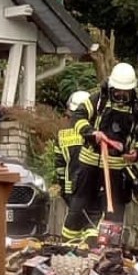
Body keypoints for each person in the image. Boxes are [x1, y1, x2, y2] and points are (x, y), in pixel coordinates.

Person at [66, 63, 138, 244]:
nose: (120, 95)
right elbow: (77, 116)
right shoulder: (98, 100)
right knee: (79, 207)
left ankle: (109, 250)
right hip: (90, 164)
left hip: (117, 167)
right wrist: (91, 132)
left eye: (125, 92)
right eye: (117, 90)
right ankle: (68, 244)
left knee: (113, 213)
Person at [55, 91, 94, 236]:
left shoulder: (62, 135)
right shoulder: (95, 133)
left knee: (74, 227)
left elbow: (59, 165)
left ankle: (75, 254)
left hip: (71, 190)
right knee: (91, 225)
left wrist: (62, 187)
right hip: (93, 188)